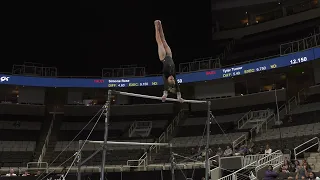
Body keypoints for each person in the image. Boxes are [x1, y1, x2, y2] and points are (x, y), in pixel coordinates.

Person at [154, 20, 183, 103]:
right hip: (170, 56)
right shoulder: (173, 75)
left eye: (170, 80)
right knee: (164, 40)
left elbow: (166, 86)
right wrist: (179, 97)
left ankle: (156, 26)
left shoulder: (165, 75)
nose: (172, 78)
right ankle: (161, 25)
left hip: (163, 57)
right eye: (173, 79)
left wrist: (165, 95)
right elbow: (177, 86)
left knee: (159, 41)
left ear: (167, 80)